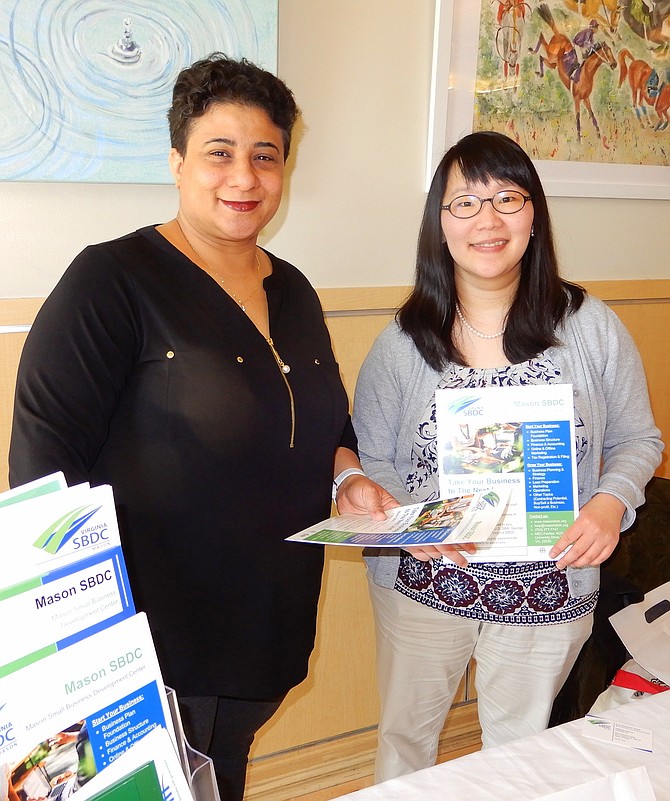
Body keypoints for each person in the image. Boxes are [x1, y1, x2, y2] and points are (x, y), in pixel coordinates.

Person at [9, 53, 395, 801]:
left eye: (265, 156)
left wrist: (347, 474)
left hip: (267, 619)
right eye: (219, 153)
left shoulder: (295, 289)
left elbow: (324, 419)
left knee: (223, 776)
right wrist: (80, 640)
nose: (244, 178)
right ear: (178, 160)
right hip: (147, 639)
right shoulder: (111, 280)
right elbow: (42, 469)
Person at [352, 130, 662, 783]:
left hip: (549, 585)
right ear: (440, 223)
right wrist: (413, 524)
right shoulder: (404, 340)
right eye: (465, 202)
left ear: (534, 216)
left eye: (507, 198)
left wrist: (610, 505)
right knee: (405, 740)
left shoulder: (590, 325)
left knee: (518, 758)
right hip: (425, 582)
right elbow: (372, 456)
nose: (487, 220)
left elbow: (639, 439)